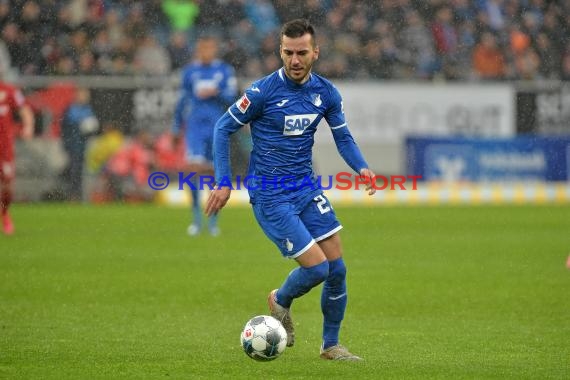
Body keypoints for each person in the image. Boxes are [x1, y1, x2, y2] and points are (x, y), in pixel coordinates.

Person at [205, 19, 376, 360]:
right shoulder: (262, 92)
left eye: (301, 53)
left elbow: (342, 136)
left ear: (315, 52)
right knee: (316, 268)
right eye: (287, 53)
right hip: (270, 194)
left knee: (337, 269)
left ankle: (331, 346)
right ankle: (280, 299)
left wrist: (361, 167)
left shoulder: (325, 93)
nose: (294, 60)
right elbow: (222, 128)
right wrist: (224, 182)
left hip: (306, 188)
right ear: (280, 51)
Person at [172, 35, 237, 236]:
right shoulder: (190, 71)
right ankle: (196, 220)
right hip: (195, 127)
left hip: (218, 127)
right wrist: (176, 127)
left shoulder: (224, 71)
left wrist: (215, 92)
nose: (206, 52)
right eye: (203, 48)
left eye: (209, 48)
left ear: (214, 49)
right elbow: (182, 101)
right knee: (193, 169)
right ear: (198, 50)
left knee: (214, 173)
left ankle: (213, 221)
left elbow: (232, 97)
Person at [0, 76, 34, 234]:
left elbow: (24, 109)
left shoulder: (9, 90)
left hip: (5, 148)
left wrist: (28, 126)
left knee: (8, 187)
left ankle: (5, 213)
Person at [61, 87, 99, 201]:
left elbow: (92, 127)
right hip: (73, 145)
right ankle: (73, 195)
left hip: (83, 145)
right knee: (74, 169)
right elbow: (68, 126)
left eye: (86, 95)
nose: (84, 97)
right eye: (82, 94)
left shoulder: (88, 109)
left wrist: (91, 128)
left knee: (80, 170)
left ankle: (78, 195)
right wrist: (81, 126)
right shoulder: (71, 109)